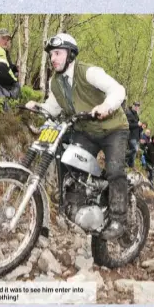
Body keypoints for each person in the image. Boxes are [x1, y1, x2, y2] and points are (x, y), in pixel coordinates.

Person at [25, 34, 129, 240]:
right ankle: (80, 205)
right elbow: (53, 108)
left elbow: (118, 90)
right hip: (85, 131)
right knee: (71, 164)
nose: (53, 58)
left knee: (115, 170)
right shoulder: (55, 81)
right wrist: (37, 107)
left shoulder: (89, 72)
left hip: (113, 128)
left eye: (58, 53)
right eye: (51, 55)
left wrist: (106, 106)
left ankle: (119, 218)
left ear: (70, 55)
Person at [126, 101, 141, 167]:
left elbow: (137, 127)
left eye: (138, 106)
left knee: (134, 152)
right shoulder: (129, 113)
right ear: (132, 105)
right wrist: (137, 124)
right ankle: (125, 160)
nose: (136, 107)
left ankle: (130, 165)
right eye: (135, 106)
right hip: (131, 136)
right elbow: (128, 125)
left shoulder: (136, 115)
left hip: (136, 137)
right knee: (135, 149)